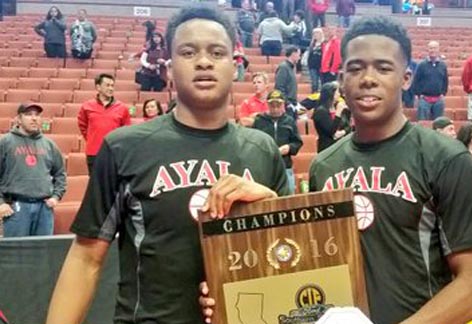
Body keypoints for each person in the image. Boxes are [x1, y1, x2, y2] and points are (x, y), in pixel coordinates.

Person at [200, 16, 472, 324]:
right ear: (341, 79)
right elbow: (308, 263)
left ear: (406, 78)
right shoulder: (325, 165)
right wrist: (231, 284)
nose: (368, 78)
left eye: (383, 68)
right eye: (356, 68)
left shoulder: (445, 158)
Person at [46, 6, 289, 324]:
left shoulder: (263, 150)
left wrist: (269, 204)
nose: (203, 61)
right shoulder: (124, 147)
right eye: (188, 52)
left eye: (217, 52)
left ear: (234, 66)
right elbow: (86, 258)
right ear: (170, 67)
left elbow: (289, 257)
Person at [0, 103, 66, 237]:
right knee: (17, 254)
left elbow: (60, 174)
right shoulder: (5, 142)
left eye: (37, 115)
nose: (34, 118)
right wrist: (1, 203)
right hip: (16, 207)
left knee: (42, 254)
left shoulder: (49, 145)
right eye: (29, 115)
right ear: (18, 119)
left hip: (44, 209)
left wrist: (56, 196)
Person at [77, 74, 131, 174]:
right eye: (107, 85)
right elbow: (83, 126)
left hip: (114, 153)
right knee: (95, 186)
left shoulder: (122, 108)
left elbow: (126, 131)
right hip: (93, 153)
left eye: (112, 85)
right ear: (98, 87)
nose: (111, 88)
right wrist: (92, 138)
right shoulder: (86, 106)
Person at [253, 90, 303, 194]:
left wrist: (289, 148)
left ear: (283, 105)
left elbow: (297, 142)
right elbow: (253, 142)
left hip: (285, 166)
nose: (275, 108)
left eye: (278, 105)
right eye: (272, 105)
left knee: (288, 200)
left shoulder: (289, 121)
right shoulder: (259, 121)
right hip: (265, 168)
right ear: (268, 105)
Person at [412, 40, 448, 120]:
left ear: (438, 49)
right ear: (428, 50)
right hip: (424, 99)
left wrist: (443, 93)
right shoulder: (421, 65)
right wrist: (418, 94)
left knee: (439, 124)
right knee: (422, 123)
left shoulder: (443, 65)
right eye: (431, 48)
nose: (433, 50)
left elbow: (445, 80)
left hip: (438, 99)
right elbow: (416, 80)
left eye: (435, 48)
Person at [312, 82, 351, 152]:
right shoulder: (321, 111)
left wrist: (343, 132)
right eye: (337, 92)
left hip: (341, 145)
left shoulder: (338, 107)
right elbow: (331, 131)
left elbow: (348, 126)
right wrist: (338, 113)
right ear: (331, 94)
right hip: (327, 147)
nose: (339, 94)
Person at [274, 45, 301, 115]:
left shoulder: (290, 68)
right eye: (298, 54)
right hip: (287, 105)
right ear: (293, 54)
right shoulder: (284, 67)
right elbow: (279, 88)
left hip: (291, 104)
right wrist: (287, 103)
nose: (299, 57)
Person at [307, 28, 325, 93]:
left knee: (323, 83)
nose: (315, 35)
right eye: (314, 34)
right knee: (314, 84)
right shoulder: (312, 44)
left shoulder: (324, 43)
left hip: (321, 66)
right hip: (312, 66)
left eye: (317, 33)